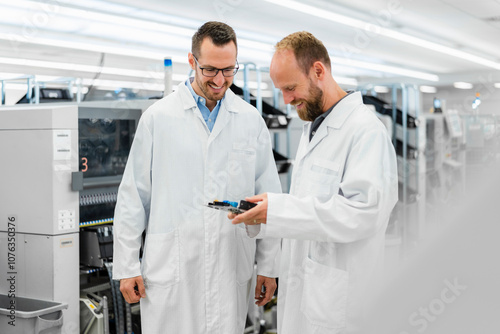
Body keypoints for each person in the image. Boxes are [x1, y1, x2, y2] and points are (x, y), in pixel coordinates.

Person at [112, 21, 282, 334]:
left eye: (229, 70)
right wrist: (126, 266)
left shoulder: (249, 121)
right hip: (172, 267)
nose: (220, 80)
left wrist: (269, 267)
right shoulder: (158, 119)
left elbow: (268, 197)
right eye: (210, 70)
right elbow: (134, 197)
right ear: (192, 62)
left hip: (230, 265)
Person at [230, 31, 398, 333]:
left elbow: (363, 215)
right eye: (281, 90)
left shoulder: (366, 131)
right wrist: (262, 214)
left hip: (341, 304)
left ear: (318, 71)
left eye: (291, 87)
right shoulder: (312, 128)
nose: (287, 100)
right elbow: (306, 210)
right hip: (306, 291)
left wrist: (278, 211)